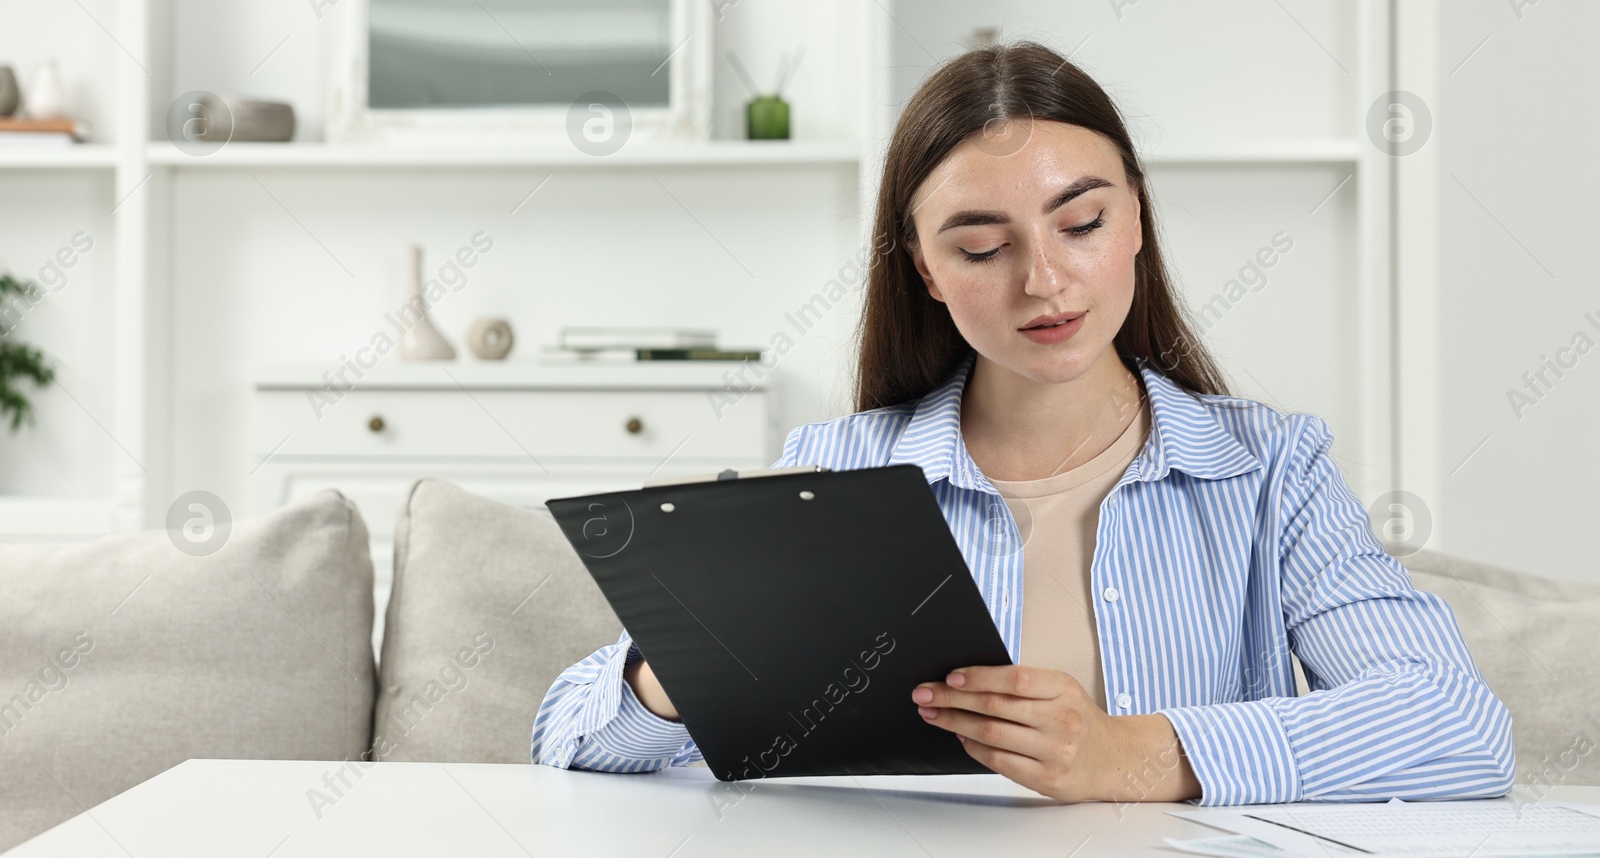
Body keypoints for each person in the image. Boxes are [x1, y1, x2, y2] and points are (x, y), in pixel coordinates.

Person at [530, 42, 1515, 806]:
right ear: (925, 270)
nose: (1043, 281)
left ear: (1136, 218)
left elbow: (1458, 725)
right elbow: (565, 738)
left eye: (1079, 225)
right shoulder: (835, 469)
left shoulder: (1268, 470)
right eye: (981, 245)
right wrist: (686, 667)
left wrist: (1134, 752)